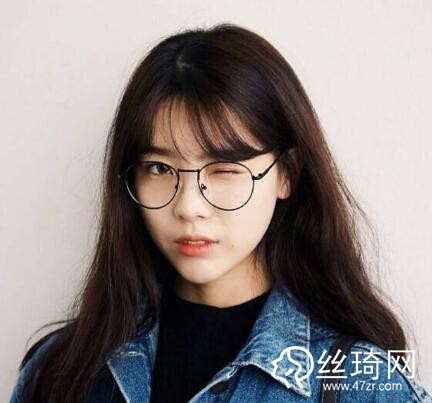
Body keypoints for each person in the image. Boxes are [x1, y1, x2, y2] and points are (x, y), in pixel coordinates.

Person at [9, 23, 432, 403]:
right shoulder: (60, 372)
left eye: (225, 169)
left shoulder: (359, 384)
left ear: (286, 174)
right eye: (159, 168)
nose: (189, 207)